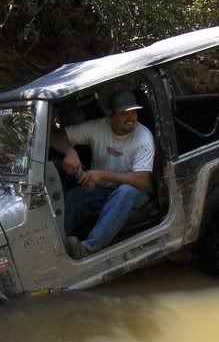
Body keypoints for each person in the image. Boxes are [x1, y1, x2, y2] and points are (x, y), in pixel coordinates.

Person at [51, 90, 155, 259]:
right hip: (103, 190)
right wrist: (70, 151)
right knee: (75, 196)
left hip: (136, 192)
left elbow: (142, 180)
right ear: (111, 115)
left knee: (125, 191)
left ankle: (90, 248)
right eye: (124, 114)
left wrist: (102, 174)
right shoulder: (98, 127)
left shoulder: (143, 136)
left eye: (134, 112)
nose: (131, 118)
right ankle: (57, 247)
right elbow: (55, 137)